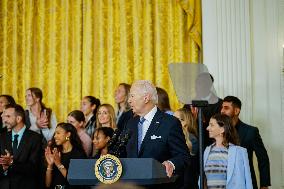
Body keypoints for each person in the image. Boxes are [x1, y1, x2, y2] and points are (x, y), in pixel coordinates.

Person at [126, 80, 189, 189]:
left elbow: (183, 156)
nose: (129, 101)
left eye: (132, 96)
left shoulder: (170, 123)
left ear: (146, 98)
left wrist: (171, 163)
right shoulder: (131, 123)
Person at [221, 96, 271, 189]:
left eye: (226, 108)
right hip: (223, 183)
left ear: (236, 111)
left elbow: (263, 158)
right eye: (222, 107)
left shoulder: (251, 131)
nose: (222, 111)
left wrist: (264, 185)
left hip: (246, 182)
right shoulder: (219, 131)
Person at [203, 114, 253, 189]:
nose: (207, 128)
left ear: (222, 129)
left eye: (212, 125)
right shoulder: (207, 150)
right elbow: (204, 180)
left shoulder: (239, 152)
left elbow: (248, 182)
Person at [0, 104, 42, 189]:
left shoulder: (35, 138)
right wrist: (4, 168)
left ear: (18, 119)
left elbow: (34, 168)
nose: (4, 120)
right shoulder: (2, 137)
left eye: (8, 116)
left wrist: (11, 163)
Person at [45, 122, 86, 189]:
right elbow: (47, 184)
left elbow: (76, 182)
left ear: (68, 134)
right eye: (55, 133)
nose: (55, 136)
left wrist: (59, 164)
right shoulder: (55, 152)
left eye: (58, 133)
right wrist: (50, 165)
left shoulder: (79, 154)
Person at [174, 108, 199, 189]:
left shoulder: (192, 139)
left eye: (175, 119)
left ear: (185, 122)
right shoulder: (175, 136)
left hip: (187, 182)